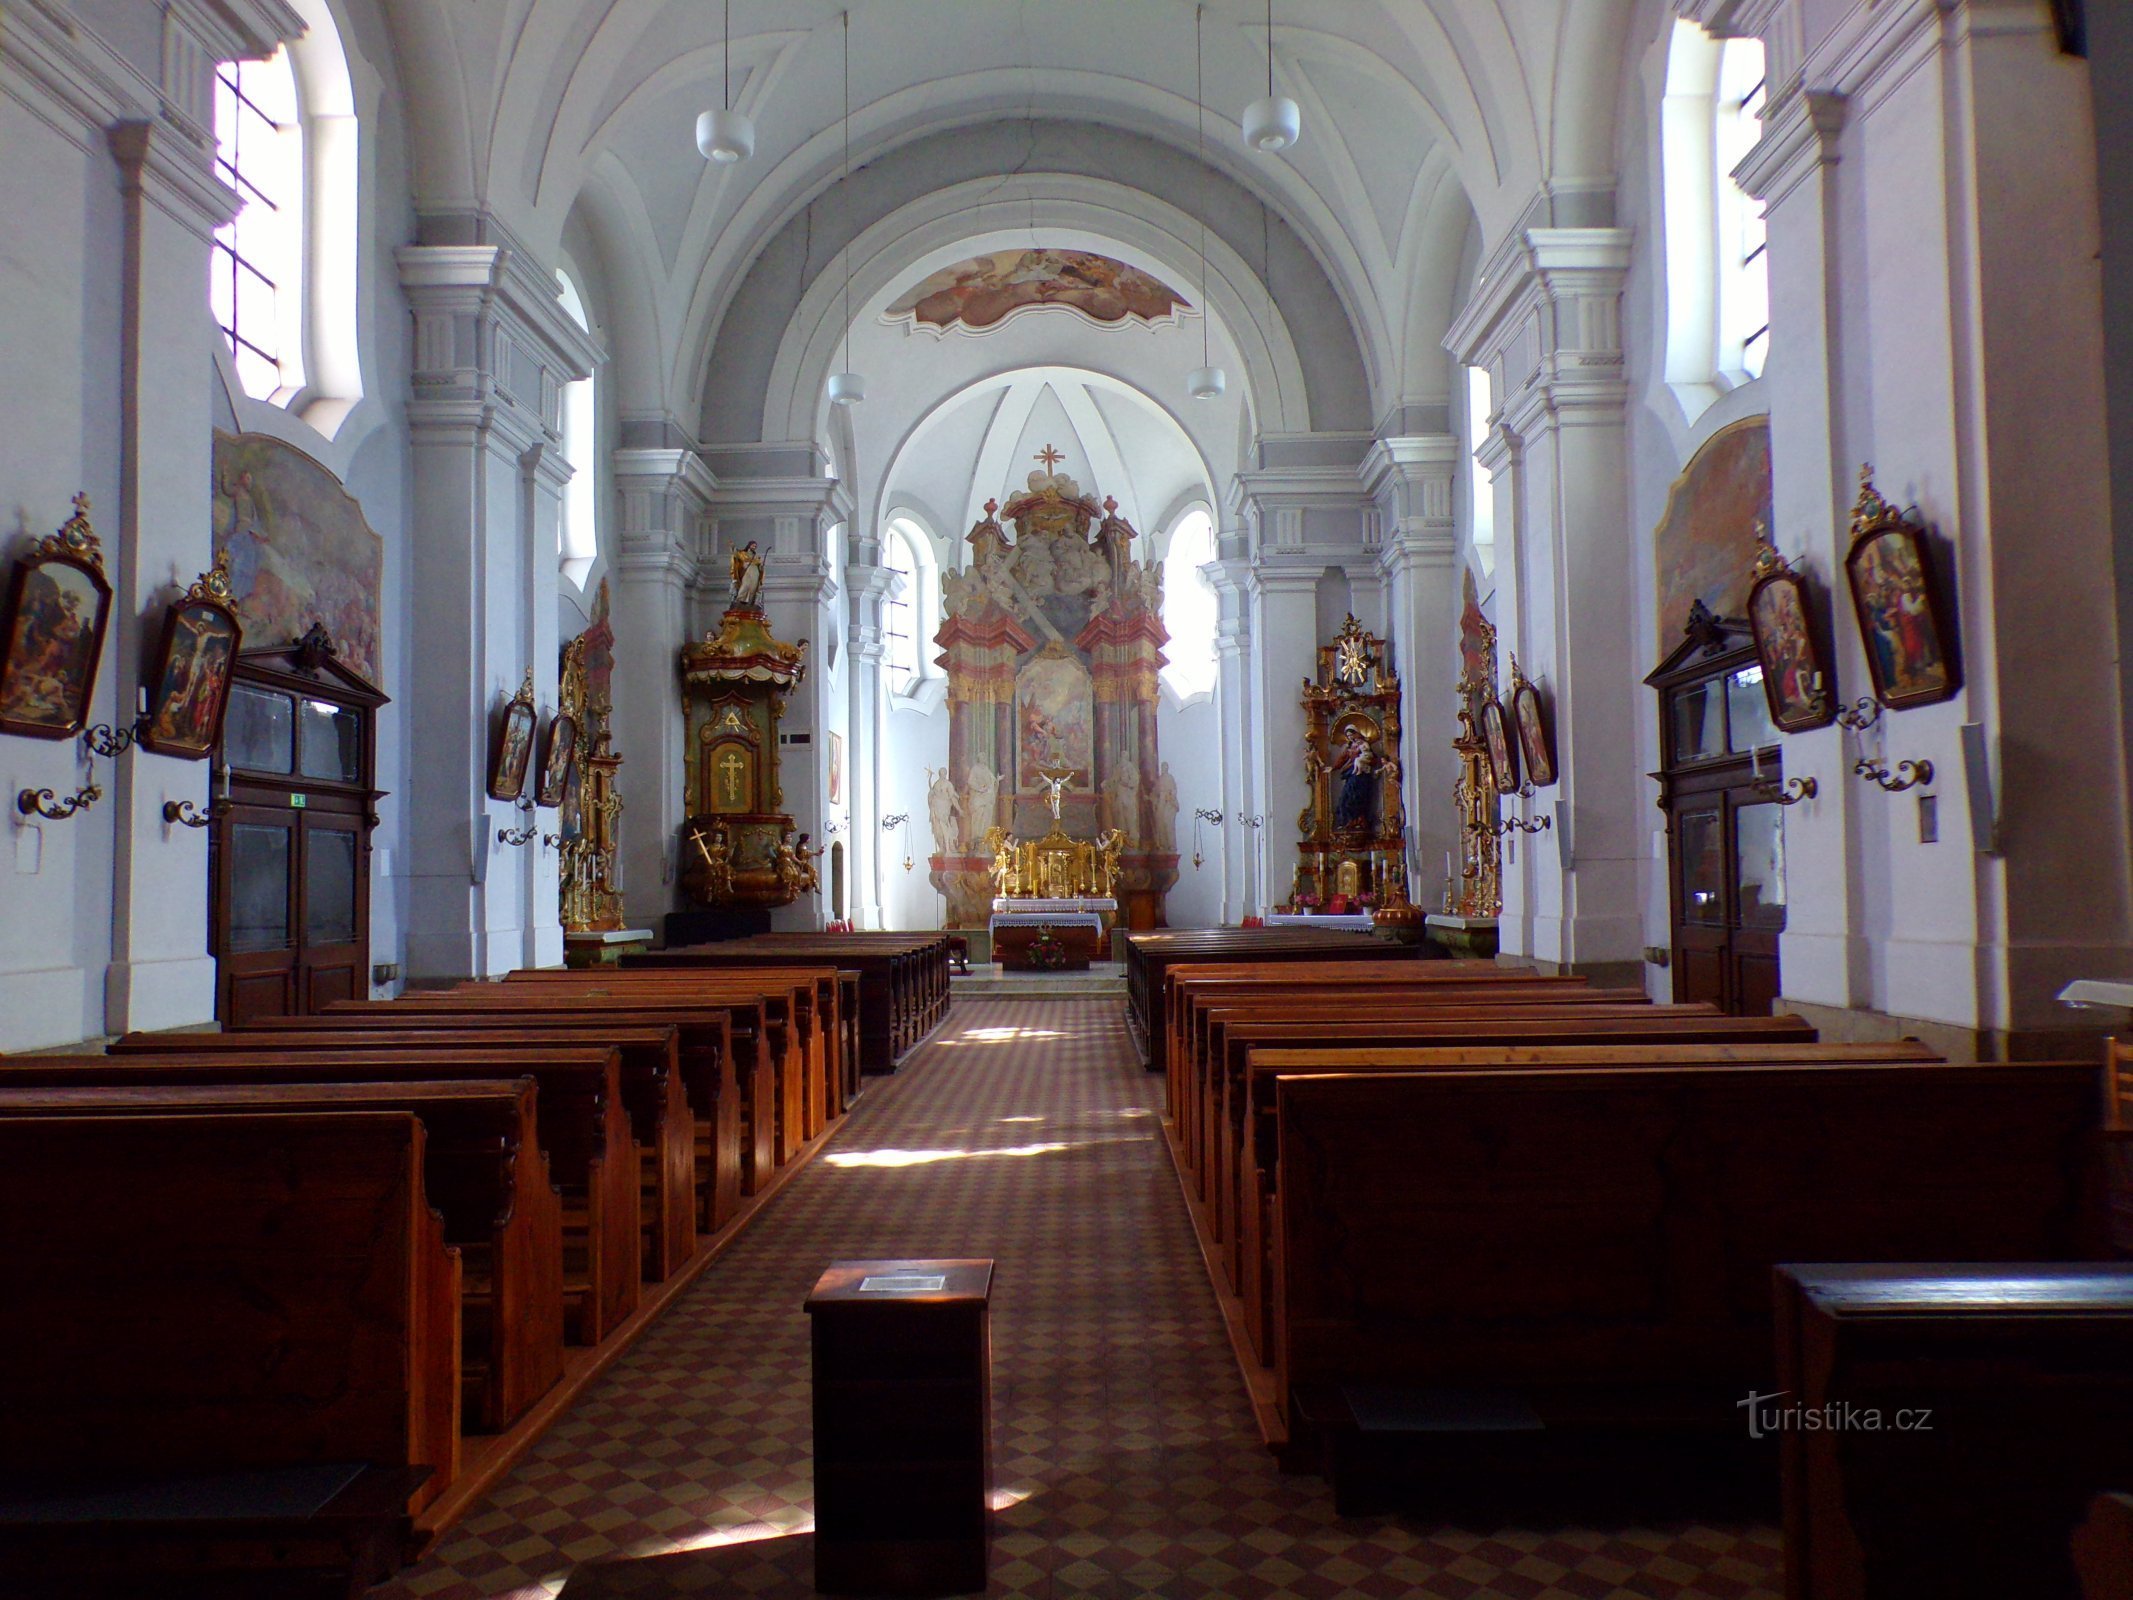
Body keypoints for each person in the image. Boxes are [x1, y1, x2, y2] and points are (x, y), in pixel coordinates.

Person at [1332, 728, 1378, 834]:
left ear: (1356, 734)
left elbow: (1373, 759)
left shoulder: (1364, 746)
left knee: (1360, 798)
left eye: (1352, 734)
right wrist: (1333, 768)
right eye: (1348, 736)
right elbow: (1342, 759)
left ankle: (1360, 821)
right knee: (1345, 798)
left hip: (1362, 776)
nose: (1350, 737)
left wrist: (1365, 761)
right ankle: (1349, 821)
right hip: (1351, 774)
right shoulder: (1349, 748)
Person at [729, 540, 764, 607]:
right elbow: (736, 553)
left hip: (755, 572)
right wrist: (732, 546)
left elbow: (760, 566)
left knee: (753, 587)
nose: (754, 547)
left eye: (755, 546)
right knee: (745, 585)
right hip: (747, 571)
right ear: (749, 545)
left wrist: (761, 567)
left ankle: (751, 602)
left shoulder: (757, 556)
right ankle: (740, 600)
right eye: (753, 545)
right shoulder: (743, 553)